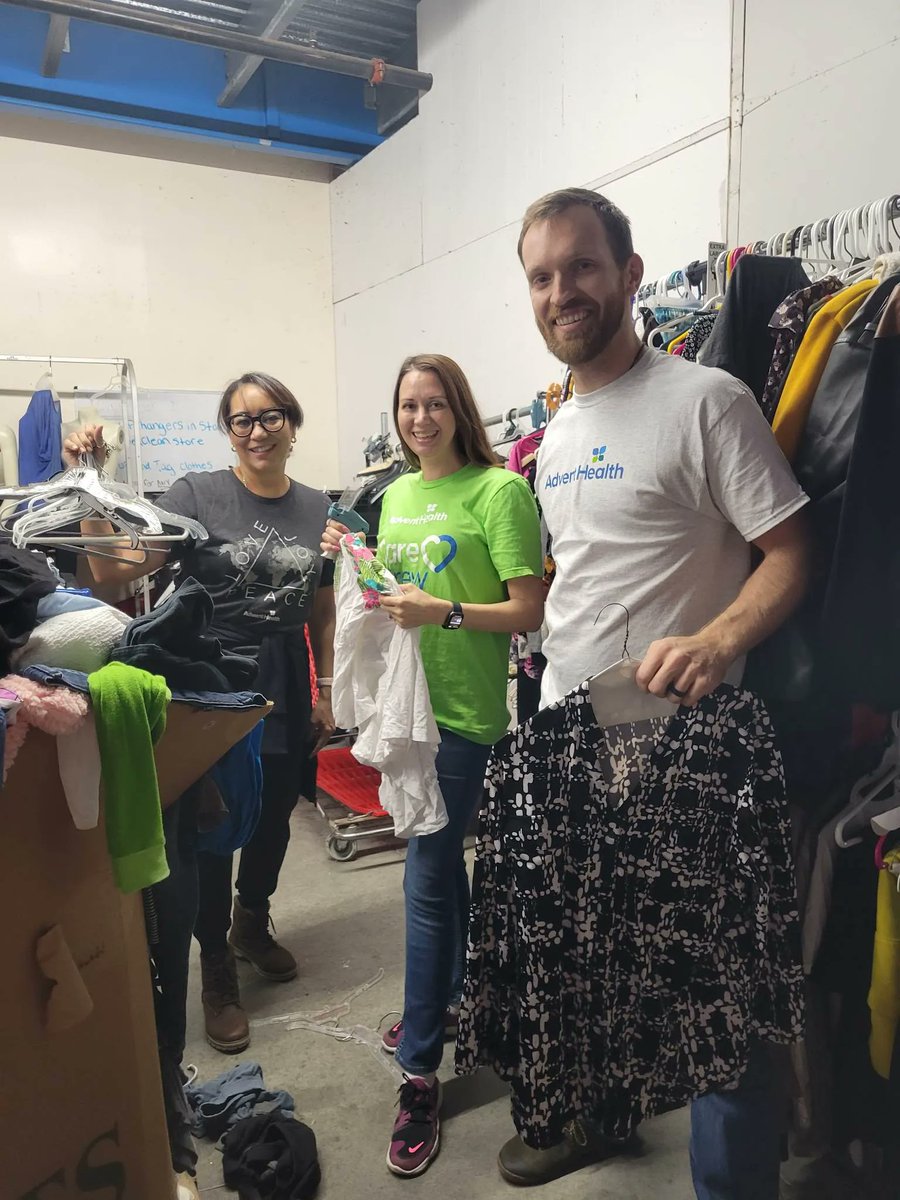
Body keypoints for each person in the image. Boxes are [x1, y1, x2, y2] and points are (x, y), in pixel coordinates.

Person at [503, 188, 810, 1198]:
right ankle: (603, 1116)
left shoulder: (706, 400)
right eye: (542, 276)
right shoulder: (557, 431)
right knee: (600, 972)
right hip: (576, 746)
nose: (562, 292)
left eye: (582, 266)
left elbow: (789, 552)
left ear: (630, 275)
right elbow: (588, 579)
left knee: (720, 1006)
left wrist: (721, 638)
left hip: (690, 756)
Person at [63, 372, 336, 1055]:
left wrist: (326, 682)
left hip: (284, 675)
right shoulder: (196, 495)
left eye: (269, 416)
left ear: (291, 422)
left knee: (276, 812)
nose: (256, 431)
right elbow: (114, 571)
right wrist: (88, 483)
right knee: (216, 825)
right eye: (240, 421)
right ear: (228, 431)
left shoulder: (316, 505)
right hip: (211, 675)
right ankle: (215, 964)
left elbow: (323, 603)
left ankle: (252, 921)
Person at [321, 354, 544, 1178]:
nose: (420, 419)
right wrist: (357, 556)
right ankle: (448, 1006)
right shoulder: (398, 495)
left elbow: (529, 606)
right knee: (442, 871)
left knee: (422, 877)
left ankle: (419, 1069)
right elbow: (395, 594)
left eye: (434, 404)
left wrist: (446, 612)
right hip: (405, 712)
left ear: (459, 409)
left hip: (464, 717)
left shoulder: (499, 492)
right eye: (407, 406)